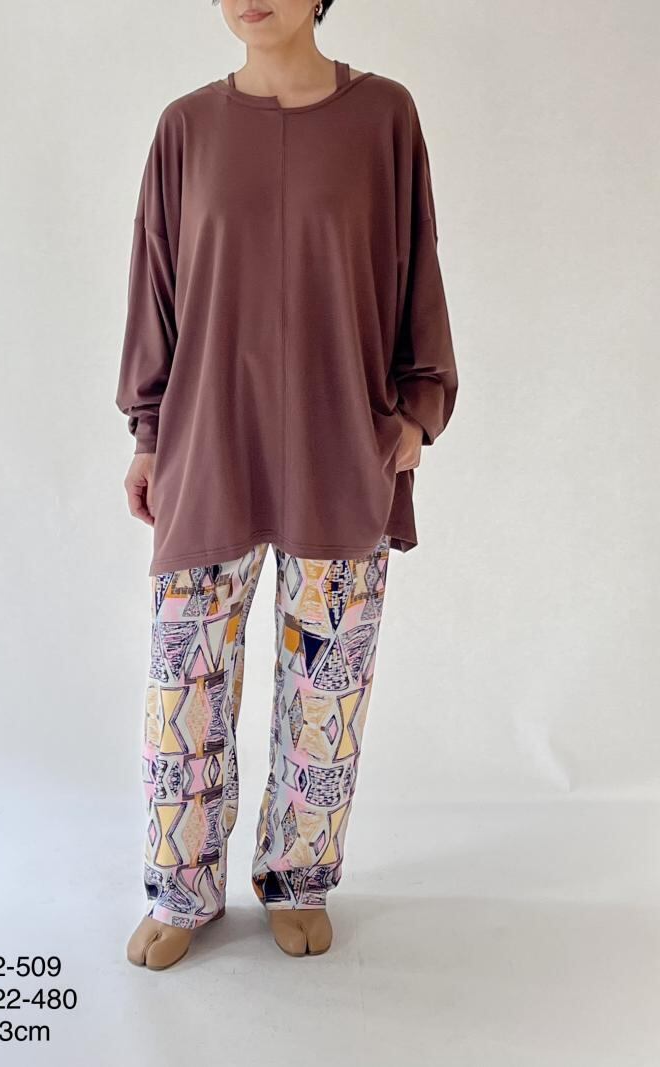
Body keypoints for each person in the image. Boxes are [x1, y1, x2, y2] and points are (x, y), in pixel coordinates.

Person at [116, 0, 458, 971]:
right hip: (206, 447)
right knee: (182, 694)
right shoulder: (186, 129)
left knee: (324, 695)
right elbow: (155, 285)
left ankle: (297, 877)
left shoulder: (383, 117)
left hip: (340, 446)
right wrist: (148, 434)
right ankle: (182, 887)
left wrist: (417, 410)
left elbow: (416, 270)